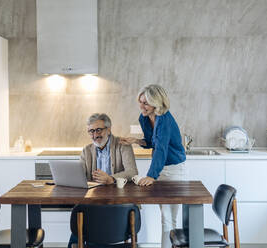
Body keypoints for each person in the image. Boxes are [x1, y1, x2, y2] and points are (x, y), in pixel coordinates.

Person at [120, 84, 187, 248]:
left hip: (174, 170)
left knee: (169, 216)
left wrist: (151, 176)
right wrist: (135, 140)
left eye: (146, 103)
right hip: (161, 169)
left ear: (156, 103)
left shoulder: (164, 120)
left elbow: (161, 149)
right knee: (166, 216)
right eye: (140, 102)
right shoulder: (144, 117)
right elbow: (152, 142)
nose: (142, 106)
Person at [68, 113, 138, 248]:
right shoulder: (86, 150)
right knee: (80, 213)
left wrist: (111, 178)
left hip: (119, 197)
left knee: (89, 220)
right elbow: (80, 175)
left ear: (109, 129)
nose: (95, 135)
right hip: (93, 198)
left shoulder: (122, 145)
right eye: (91, 131)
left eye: (98, 130)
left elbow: (132, 171)